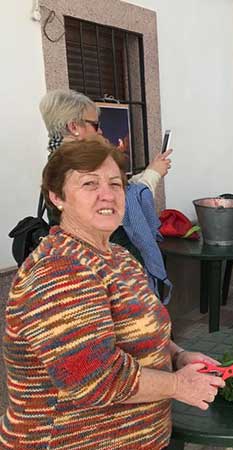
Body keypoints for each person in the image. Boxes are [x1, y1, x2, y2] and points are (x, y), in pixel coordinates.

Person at [0, 140, 225, 450]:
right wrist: (177, 386)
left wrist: (178, 355)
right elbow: (93, 379)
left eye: (116, 183)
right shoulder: (60, 270)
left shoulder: (116, 256)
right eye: (89, 184)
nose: (107, 194)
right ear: (57, 196)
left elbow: (144, 330)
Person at [39, 89, 172, 296]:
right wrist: (153, 175)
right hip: (104, 263)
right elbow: (122, 201)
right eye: (95, 125)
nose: (100, 131)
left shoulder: (57, 162)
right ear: (74, 127)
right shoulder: (76, 163)